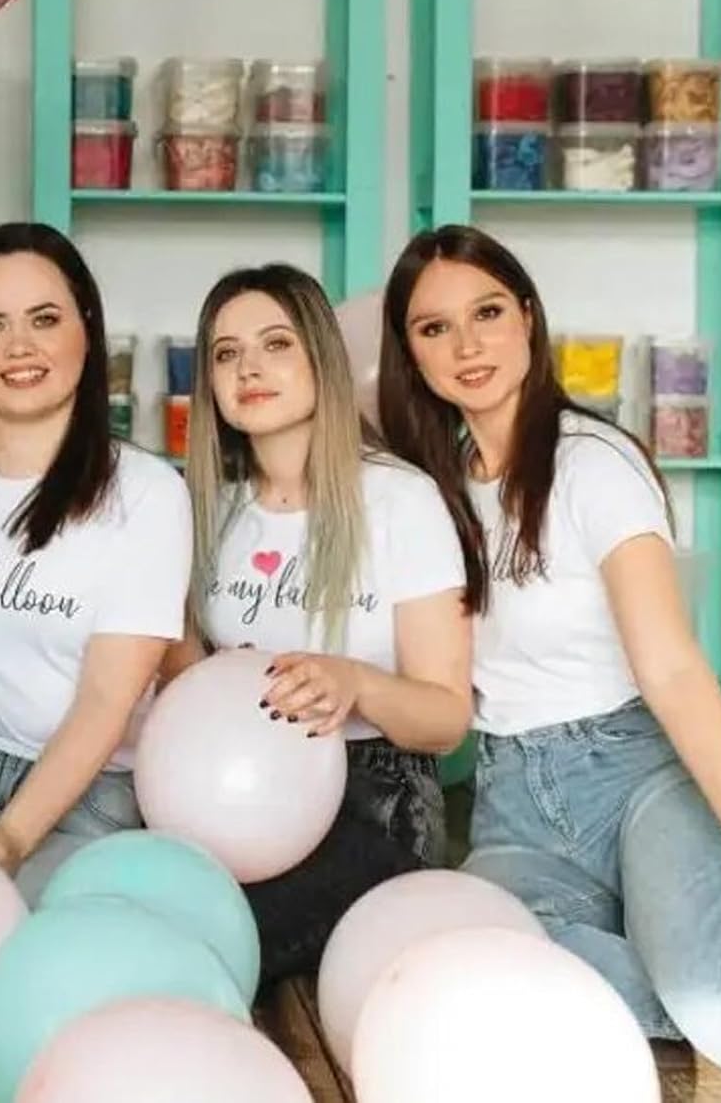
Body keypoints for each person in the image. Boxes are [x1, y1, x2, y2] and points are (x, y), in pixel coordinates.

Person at [379, 223, 721, 1072]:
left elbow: (673, 669)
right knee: (481, 969)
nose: (467, 345)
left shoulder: (593, 464)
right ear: (409, 352)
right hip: (512, 801)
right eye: (433, 328)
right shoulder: (431, 492)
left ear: (529, 317)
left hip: (636, 771)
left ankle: (715, 959)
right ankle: (687, 946)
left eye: (488, 312)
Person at [163, 264, 471, 985]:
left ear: (322, 360)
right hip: (231, 792)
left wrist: (354, 682)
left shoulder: (401, 501)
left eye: (276, 344)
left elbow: (446, 719)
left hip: (374, 798)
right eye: (227, 353)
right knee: (154, 911)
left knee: (211, 944)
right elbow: (180, 678)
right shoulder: (205, 507)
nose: (249, 368)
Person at [0, 221, 193, 900]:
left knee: (8, 931)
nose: (19, 347)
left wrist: (9, 839)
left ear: (87, 331)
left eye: (44, 319)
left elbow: (106, 700)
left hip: (81, 794)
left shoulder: (148, 493)